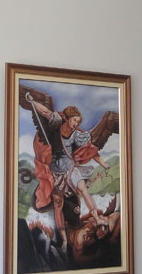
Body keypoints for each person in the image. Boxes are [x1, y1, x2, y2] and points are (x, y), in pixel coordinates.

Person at [28, 96, 110, 250]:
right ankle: (64, 240)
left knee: (83, 190)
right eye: (74, 120)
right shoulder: (56, 124)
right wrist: (32, 101)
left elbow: (90, 150)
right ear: (67, 118)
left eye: (78, 122)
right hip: (54, 173)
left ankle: (97, 218)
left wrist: (104, 164)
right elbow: (45, 112)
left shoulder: (77, 135)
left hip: (70, 169)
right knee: (58, 203)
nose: (76, 124)